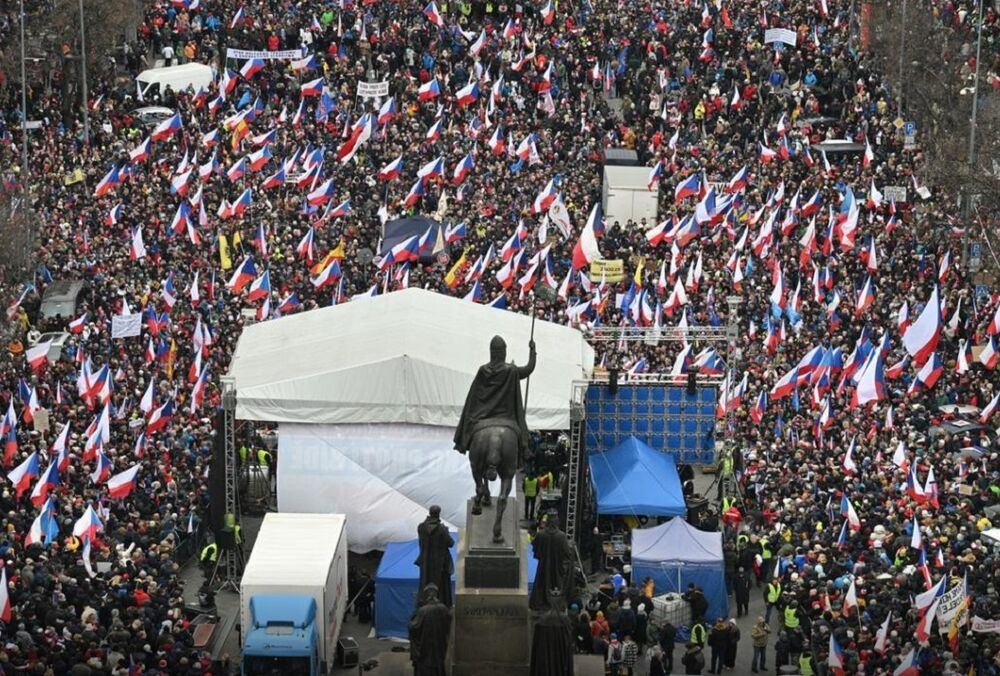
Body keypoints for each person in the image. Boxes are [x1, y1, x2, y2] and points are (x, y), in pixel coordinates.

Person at [414, 505, 455, 608]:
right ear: (439, 513)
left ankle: (425, 602)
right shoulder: (442, 529)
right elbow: (451, 543)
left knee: (425, 583)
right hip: (440, 564)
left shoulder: (421, 527)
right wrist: (447, 531)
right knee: (442, 588)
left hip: (426, 563)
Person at [408, 584, 451, 676]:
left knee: (427, 664)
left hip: (426, 646)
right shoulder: (444, 608)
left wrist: (413, 616)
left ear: (427, 594)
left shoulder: (423, 610)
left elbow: (413, 627)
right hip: (440, 644)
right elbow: (448, 626)